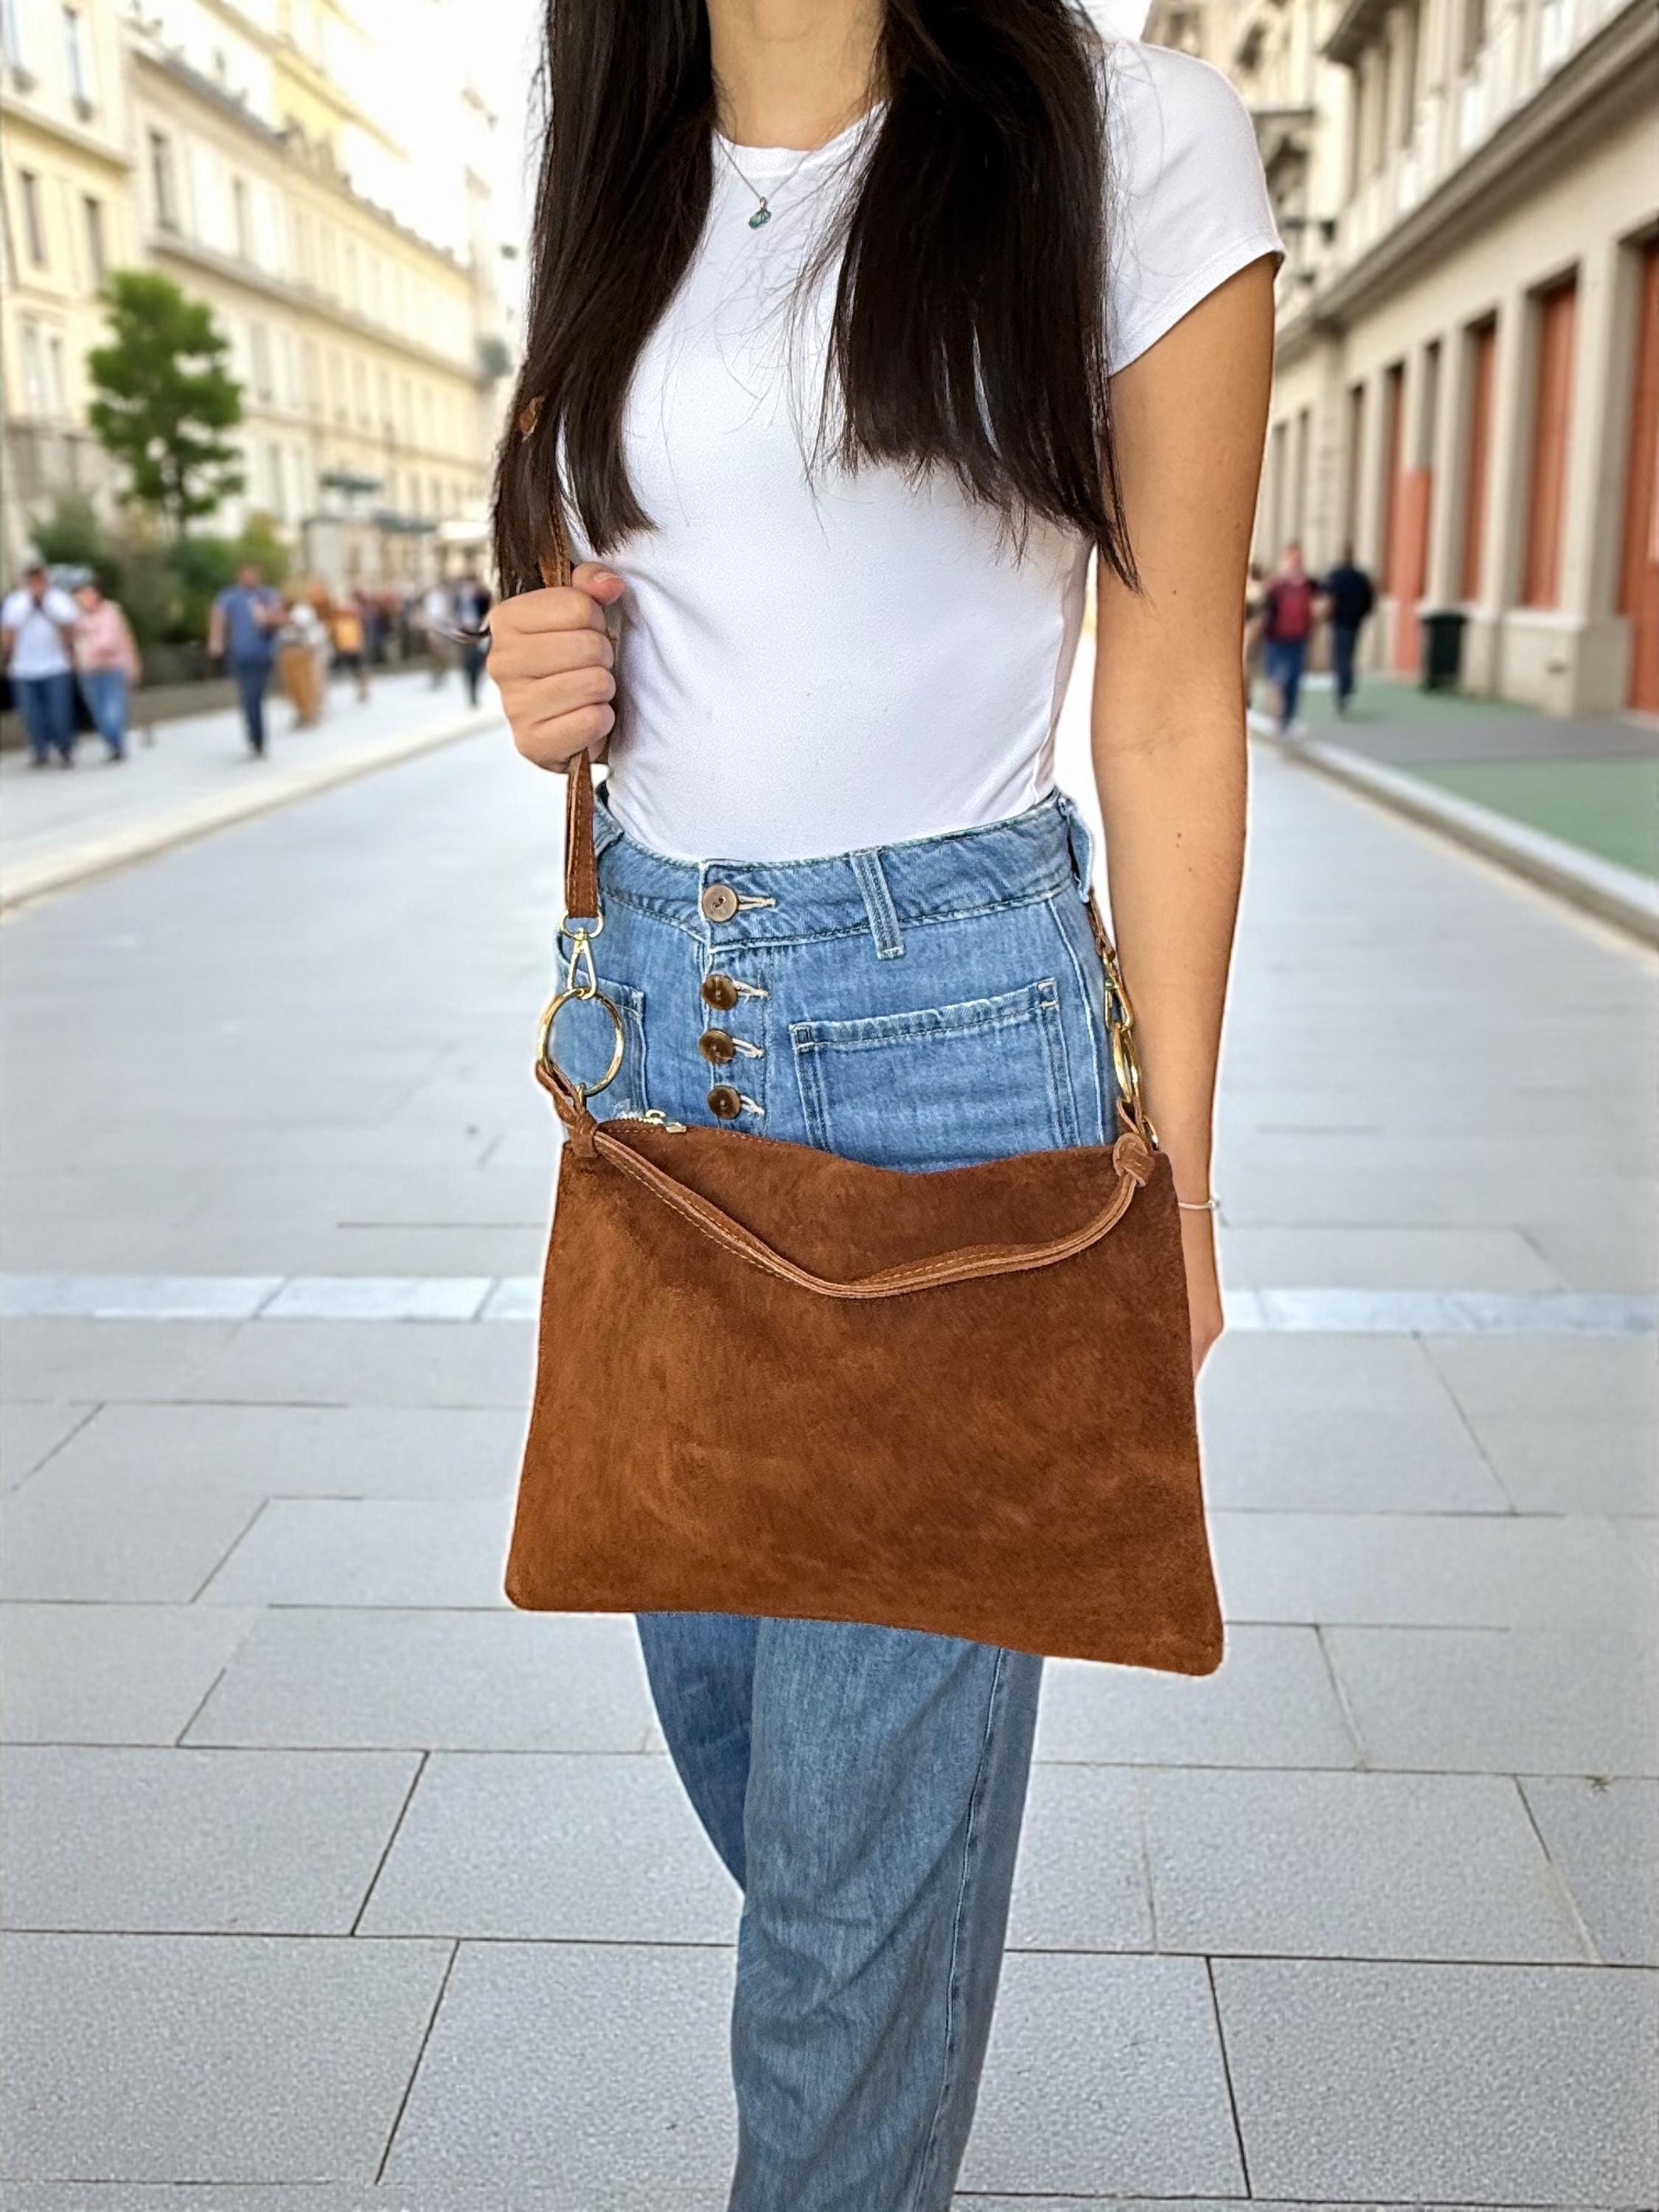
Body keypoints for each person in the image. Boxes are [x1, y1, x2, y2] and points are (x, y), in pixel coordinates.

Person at [488, 5, 1279, 2203]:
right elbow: (663, 583)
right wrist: (538, 658)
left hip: (955, 1077)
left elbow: (1175, 696)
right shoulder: (619, 135)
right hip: (658, 1051)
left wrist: (1178, 1185)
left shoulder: (1129, 133)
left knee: (837, 1934)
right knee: (775, 1791)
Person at [2, 563, 80, 767]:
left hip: (56, 667)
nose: (37, 583)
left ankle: (65, 748)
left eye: (40, 579)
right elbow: (9, 630)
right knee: (31, 715)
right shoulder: (16, 601)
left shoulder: (59, 599)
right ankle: (40, 750)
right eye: (32, 579)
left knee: (59, 712)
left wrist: (44, 603)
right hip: (23, 669)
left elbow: (69, 624)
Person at [209, 564, 284, 756]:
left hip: (264, 653)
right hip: (241, 654)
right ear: (239, 577)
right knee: (248, 695)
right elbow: (218, 616)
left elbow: (279, 618)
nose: (250, 578)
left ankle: (258, 734)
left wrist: (266, 618)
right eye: (246, 575)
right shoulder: (230, 596)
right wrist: (216, 641)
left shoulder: (267, 594)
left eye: (254, 575)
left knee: (257, 695)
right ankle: (256, 738)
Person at [72, 577, 142, 761]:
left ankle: (117, 742)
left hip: (113, 667)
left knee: (114, 709)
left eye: (88, 593)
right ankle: (113, 744)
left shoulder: (111, 611)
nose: (85, 598)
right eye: (80, 595)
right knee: (98, 712)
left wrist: (133, 664)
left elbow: (124, 637)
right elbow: (75, 643)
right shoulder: (77, 618)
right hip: (89, 670)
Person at [1259, 540, 1316, 736]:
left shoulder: (1309, 585)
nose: (1295, 563)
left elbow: (1318, 607)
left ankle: (1289, 717)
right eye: (1292, 559)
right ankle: (1278, 716)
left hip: (1298, 639)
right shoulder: (1276, 586)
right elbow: (1263, 609)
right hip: (1276, 639)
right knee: (1277, 679)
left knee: (1294, 680)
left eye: (1298, 559)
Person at [1321, 545, 1376, 715]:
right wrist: (1362, 615)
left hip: (1340, 623)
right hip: (1354, 623)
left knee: (1340, 658)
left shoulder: (1336, 577)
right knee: (1349, 656)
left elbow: (1327, 598)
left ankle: (1342, 692)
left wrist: (1327, 617)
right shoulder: (1361, 578)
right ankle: (1347, 688)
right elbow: (1370, 600)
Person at [451, 570, 493, 705]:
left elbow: (487, 609)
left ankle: (474, 690)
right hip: (463, 631)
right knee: (468, 664)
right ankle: (471, 692)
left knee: (478, 662)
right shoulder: (457, 597)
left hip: (477, 631)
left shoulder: (482, 595)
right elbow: (453, 612)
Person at [330, 594, 371, 702]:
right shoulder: (338, 623)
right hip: (347, 650)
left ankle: (364, 689)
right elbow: (338, 638)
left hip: (356, 649)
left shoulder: (354, 622)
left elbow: (360, 635)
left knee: (360, 670)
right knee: (354, 671)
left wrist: (360, 645)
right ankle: (360, 690)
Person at [421, 577, 454, 684]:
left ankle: (442, 673)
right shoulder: (430, 598)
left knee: (443, 653)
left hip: (442, 628)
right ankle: (435, 675)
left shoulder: (444, 598)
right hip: (434, 628)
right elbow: (428, 614)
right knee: (435, 653)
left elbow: (447, 613)